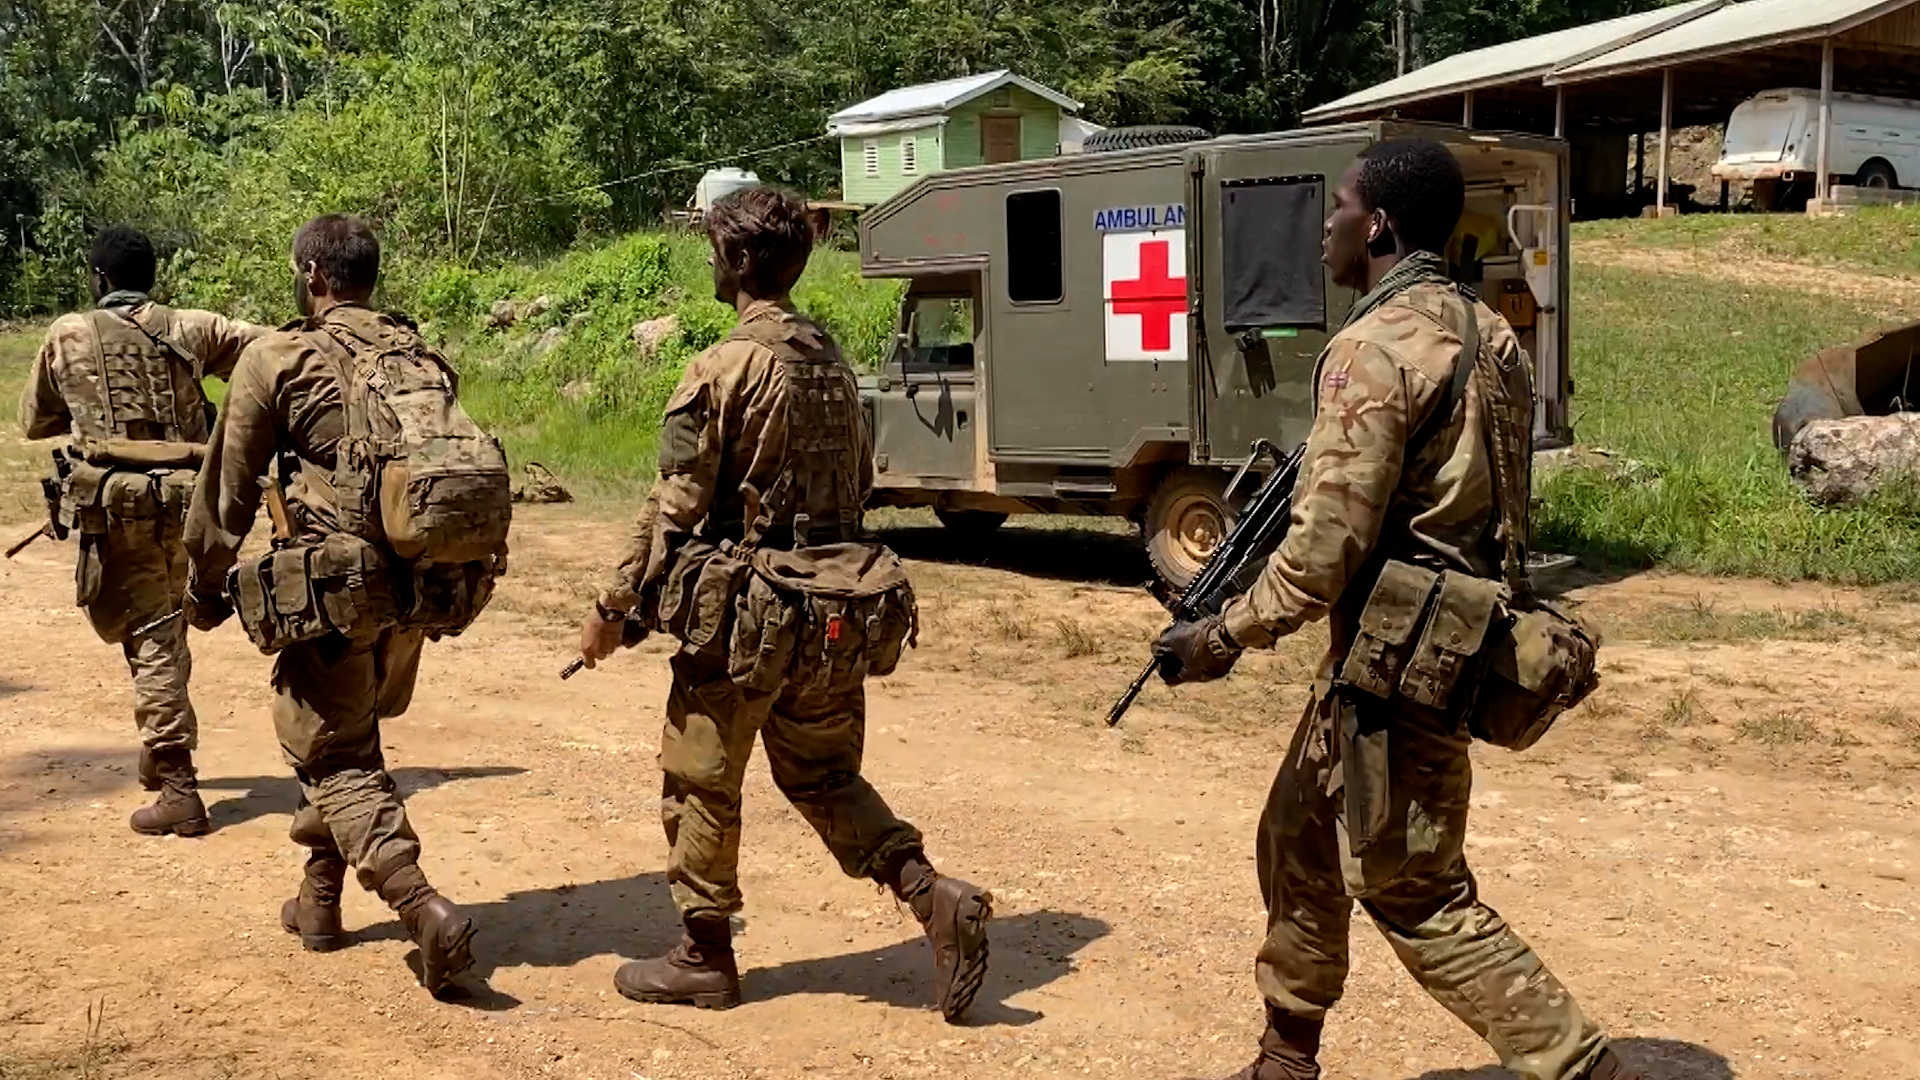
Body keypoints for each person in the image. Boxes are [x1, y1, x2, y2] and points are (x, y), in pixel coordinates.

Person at [1153, 139, 1640, 1080]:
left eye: (1336, 207)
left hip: (1403, 660)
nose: (1325, 227)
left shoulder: (1370, 350)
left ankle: (1586, 1070)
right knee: (1299, 833)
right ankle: (1285, 1056)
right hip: (1432, 639)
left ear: (1375, 223)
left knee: (1417, 890)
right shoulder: (1485, 331)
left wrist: (1221, 634)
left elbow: (1323, 554)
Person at [576, 185, 992, 1021]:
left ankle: (703, 955)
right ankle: (928, 893)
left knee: (701, 782)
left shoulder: (724, 366)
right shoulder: (833, 360)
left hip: (748, 622)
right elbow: (862, 482)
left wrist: (614, 605)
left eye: (712, 251)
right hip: (836, 613)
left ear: (733, 264)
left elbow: (674, 506)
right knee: (824, 774)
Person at [182, 214, 482, 998]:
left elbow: (227, 492)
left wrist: (203, 589)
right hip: (423, 589)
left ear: (312, 276)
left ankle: (423, 908)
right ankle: (320, 904)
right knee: (348, 733)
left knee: (332, 754)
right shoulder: (419, 354)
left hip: (337, 596)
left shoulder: (277, 356)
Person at [18, 225, 263, 837]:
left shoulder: (67, 334)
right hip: (189, 506)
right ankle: (159, 756)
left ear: (98, 278)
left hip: (117, 509)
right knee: (163, 625)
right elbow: (270, 355)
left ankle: (179, 785)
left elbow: (34, 419)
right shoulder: (195, 328)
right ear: (151, 276)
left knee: (152, 633)